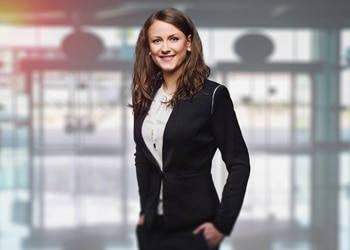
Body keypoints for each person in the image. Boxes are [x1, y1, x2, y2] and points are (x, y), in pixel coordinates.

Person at [130, 8, 250, 250]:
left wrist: (222, 225)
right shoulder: (145, 94)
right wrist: (146, 210)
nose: (165, 48)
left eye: (173, 38)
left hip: (195, 228)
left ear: (189, 43)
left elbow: (239, 163)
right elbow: (142, 157)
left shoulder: (213, 95)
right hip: (152, 228)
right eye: (157, 40)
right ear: (149, 48)